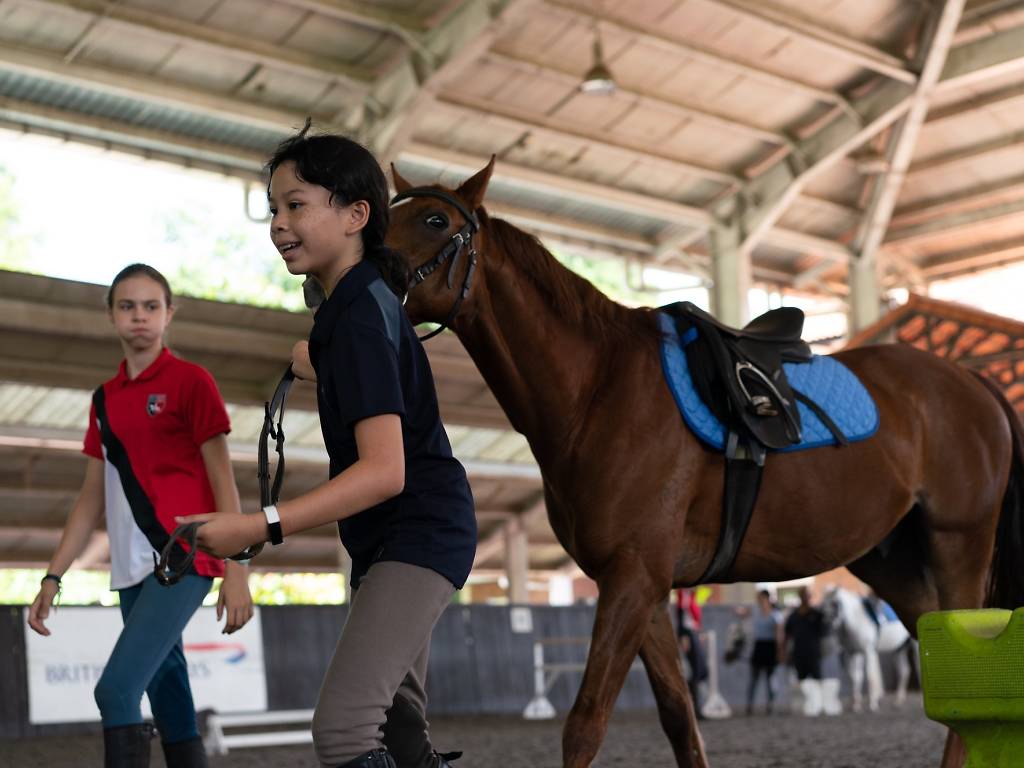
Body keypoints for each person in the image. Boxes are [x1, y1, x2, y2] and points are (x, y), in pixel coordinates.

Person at [180, 125, 477, 768]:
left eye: (296, 205)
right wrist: (315, 359)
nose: (278, 224)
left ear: (355, 215)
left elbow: (385, 471)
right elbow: (369, 375)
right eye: (273, 209)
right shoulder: (356, 307)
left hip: (418, 532)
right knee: (399, 733)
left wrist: (259, 525)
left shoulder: (362, 315)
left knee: (344, 732)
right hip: (389, 539)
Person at [27, 264, 254, 768]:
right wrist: (52, 577)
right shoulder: (103, 400)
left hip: (185, 557)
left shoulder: (192, 381)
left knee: (115, 690)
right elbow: (90, 498)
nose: (139, 316)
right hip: (130, 568)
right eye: (127, 306)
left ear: (169, 314)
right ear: (111, 316)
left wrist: (237, 569)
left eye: (151, 306)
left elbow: (224, 481)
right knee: (170, 700)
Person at [746, 589, 784, 715]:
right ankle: (750, 705)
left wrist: (779, 650)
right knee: (754, 678)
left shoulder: (775, 615)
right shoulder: (756, 613)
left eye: (761, 598)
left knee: (770, 678)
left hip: (770, 647)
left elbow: (779, 633)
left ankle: (770, 705)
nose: (759, 601)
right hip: (759, 646)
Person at [784, 586, 827, 682]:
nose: (805, 597)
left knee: (817, 681)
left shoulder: (817, 614)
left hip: (813, 654)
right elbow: (787, 634)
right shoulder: (793, 616)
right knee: (801, 682)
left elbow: (824, 632)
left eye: (807, 595)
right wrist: (785, 652)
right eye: (803, 595)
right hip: (799, 654)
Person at [675, 588, 706, 716]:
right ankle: (693, 707)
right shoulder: (684, 593)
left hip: (693, 633)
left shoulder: (692, 595)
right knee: (696, 671)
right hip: (688, 635)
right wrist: (683, 636)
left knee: (700, 671)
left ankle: (692, 705)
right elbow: (681, 614)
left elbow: (694, 616)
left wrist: (699, 632)